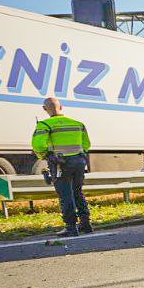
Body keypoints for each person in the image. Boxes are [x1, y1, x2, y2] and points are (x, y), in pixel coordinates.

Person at [32, 97, 92, 236]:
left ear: (44, 109)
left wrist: (46, 155)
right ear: (62, 107)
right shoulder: (77, 124)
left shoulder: (45, 125)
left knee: (65, 195)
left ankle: (71, 228)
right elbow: (86, 145)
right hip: (78, 162)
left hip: (61, 164)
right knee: (77, 192)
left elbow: (38, 145)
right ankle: (85, 224)